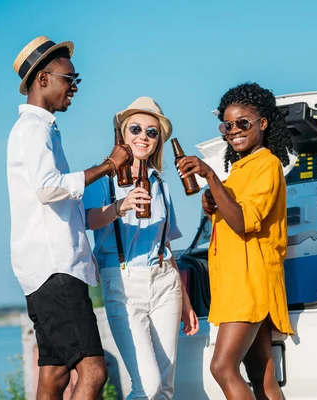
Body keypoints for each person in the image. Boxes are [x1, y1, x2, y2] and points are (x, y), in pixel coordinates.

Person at [8, 36, 132, 398]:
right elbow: (49, 188)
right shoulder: (33, 130)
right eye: (69, 78)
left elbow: (69, 211)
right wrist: (109, 166)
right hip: (56, 269)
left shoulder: (44, 130)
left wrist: (117, 209)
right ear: (43, 79)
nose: (74, 87)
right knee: (93, 372)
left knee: (56, 373)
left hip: (48, 269)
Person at [177, 82, 294, 400]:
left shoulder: (266, 164)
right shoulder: (240, 170)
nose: (234, 130)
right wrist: (213, 197)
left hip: (249, 282)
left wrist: (210, 176)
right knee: (261, 377)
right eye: (227, 125)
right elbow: (233, 213)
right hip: (238, 281)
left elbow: (243, 221)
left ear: (263, 123)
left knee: (222, 367)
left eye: (243, 122)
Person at [84, 96, 199, 400]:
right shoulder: (102, 178)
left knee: (165, 388)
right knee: (146, 387)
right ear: (122, 135)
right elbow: (89, 220)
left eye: (152, 132)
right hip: (122, 282)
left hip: (164, 283)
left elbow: (167, 246)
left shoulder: (160, 183)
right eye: (135, 128)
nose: (143, 137)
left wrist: (185, 301)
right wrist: (121, 205)